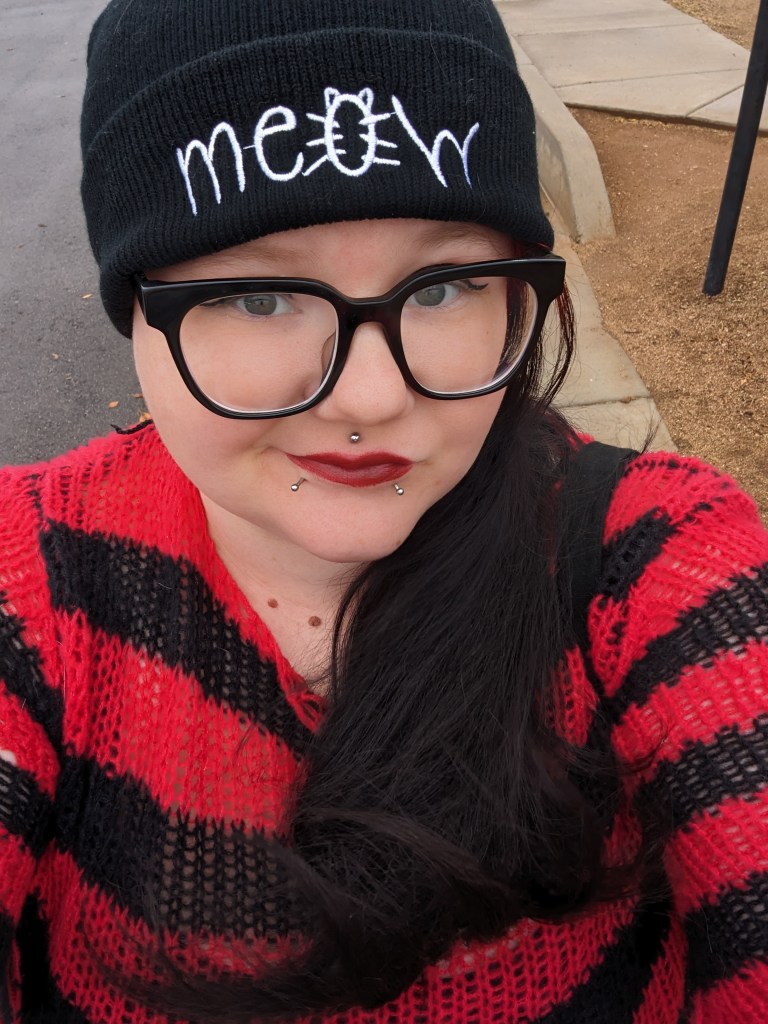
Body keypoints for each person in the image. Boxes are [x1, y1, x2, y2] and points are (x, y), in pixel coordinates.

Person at [0, 0, 766, 1021]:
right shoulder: (30, 578)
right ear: (135, 306)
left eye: (444, 286)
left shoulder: (654, 561)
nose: (370, 399)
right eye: (262, 297)